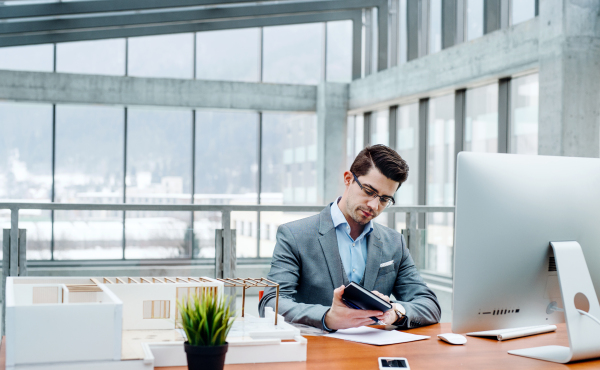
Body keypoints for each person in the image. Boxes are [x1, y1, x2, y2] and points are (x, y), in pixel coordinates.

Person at [258, 144, 441, 331]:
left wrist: (396, 311)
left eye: (385, 199)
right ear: (348, 179)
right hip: (315, 351)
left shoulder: (394, 242)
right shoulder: (295, 236)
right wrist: (328, 317)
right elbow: (271, 303)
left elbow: (429, 304)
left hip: (372, 352)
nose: (374, 205)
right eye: (369, 191)